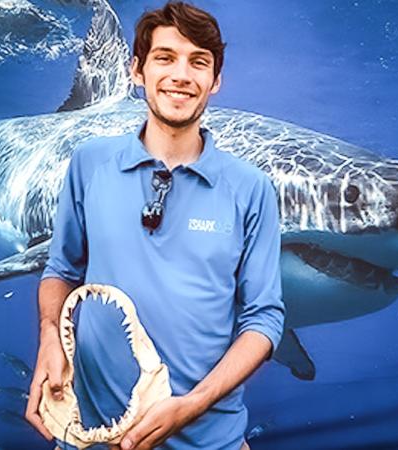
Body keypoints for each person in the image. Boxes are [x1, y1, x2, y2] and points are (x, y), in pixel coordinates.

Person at [25, 2, 285, 449]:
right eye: (165, 57)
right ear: (136, 70)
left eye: (198, 62)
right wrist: (50, 335)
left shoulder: (253, 189)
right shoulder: (89, 163)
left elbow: (264, 316)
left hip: (210, 439)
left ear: (216, 80)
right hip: (92, 435)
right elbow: (62, 270)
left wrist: (195, 403)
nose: (181, 75)